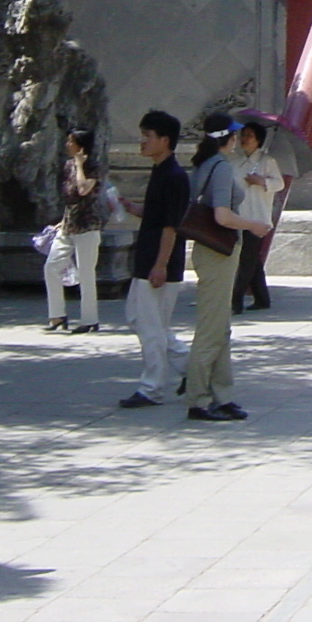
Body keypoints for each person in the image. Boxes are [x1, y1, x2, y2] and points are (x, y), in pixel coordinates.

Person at [180, 113, 272, 422]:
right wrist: (253, 225)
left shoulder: (206, 164)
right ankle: (199, 398)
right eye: (235, 136)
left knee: (220, 326)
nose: (237, 140)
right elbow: (222, 216)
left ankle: (222, 394)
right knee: (211, 328)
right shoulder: (219, 168)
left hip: (214, 251)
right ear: (228, 138)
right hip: (218, 249)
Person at [118, 110, 192, 410]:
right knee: (141, 320)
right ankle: (192, 368)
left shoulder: (175, 177)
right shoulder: (160, 171)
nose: (143, 141)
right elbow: (157, 216)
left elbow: (171, 226)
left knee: (150, 327)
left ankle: (152, 388)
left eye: (148, 136)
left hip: (158, 264)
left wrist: (161, 265)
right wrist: (133, 208)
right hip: (147, 259)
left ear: (165, 140)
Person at [42, 129, 107, 334]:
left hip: (88, 225)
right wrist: (63, 221)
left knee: (86, 272)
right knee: (51, 266)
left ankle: (89, 319)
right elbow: (70, 198)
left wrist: (80, 165)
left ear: (80, 145)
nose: (67, 144)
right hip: (69, 224)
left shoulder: (93, 166)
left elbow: (83, 189)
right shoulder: (67, 165)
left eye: (71, 141)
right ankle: (57, 315)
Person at [232, 121, 284, 314]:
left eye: (249, 136)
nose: (244, 139)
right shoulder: (234, 161)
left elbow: (278, 183)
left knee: (246, 260)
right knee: (251, 260)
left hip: (258, 217)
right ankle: (262, 298)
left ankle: (235, 299)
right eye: (243, 135)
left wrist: (261, 181)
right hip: (239, 215)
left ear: (258, 140)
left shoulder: (267, 161)